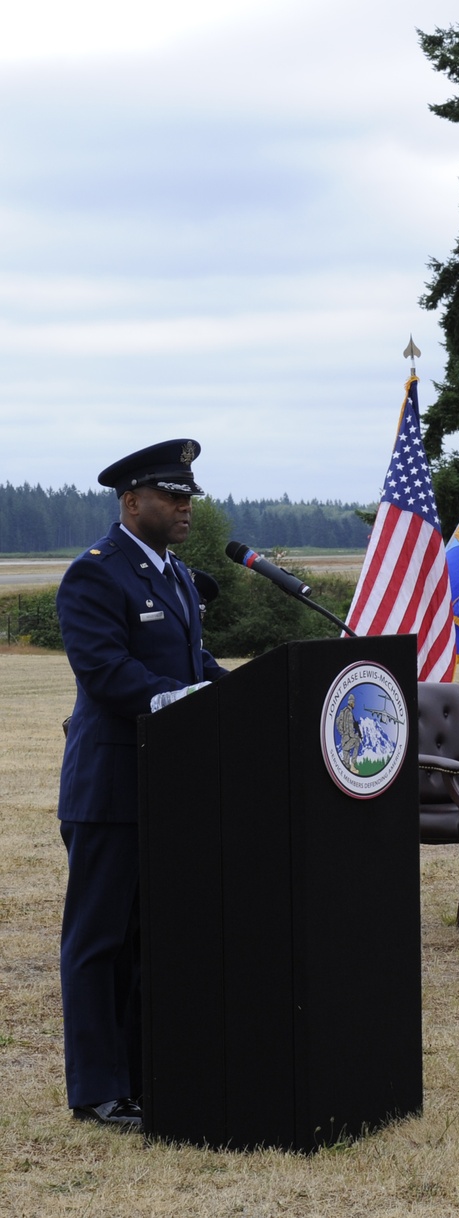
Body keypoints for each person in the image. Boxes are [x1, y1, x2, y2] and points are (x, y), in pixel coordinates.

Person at [56, 440, 227, 1130]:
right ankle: (98, 1089)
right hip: (110, 786)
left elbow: (195, 660)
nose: (185, 508)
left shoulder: (178, 576)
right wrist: (190, 698)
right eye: (171, 496)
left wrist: (246, 694)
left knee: (149, 939)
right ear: (131, 501)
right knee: (100, 942)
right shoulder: (95, 577)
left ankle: (143, 1073)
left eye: (189, 497)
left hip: (165, 786)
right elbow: (109, 674)